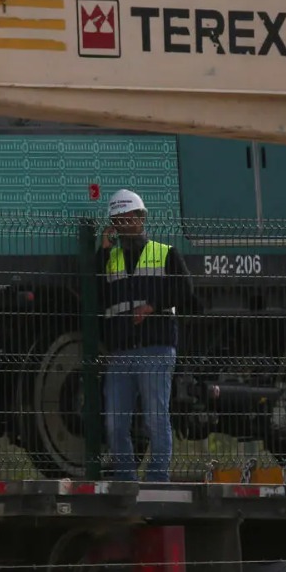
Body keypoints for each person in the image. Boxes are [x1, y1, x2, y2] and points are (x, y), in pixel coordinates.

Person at [99, 188, 194, 482]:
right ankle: (125, 477)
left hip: (156, 347)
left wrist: (153, 307)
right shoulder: (108, 258)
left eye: (130, 218)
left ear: (141, 219)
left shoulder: (165, 253)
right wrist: (102, 251)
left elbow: (186, 292)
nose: (125, 224)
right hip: (121, 351)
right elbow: (94, 293)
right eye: (119, 220)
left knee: (155, 418)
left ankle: (157, 478)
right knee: (115, 422)